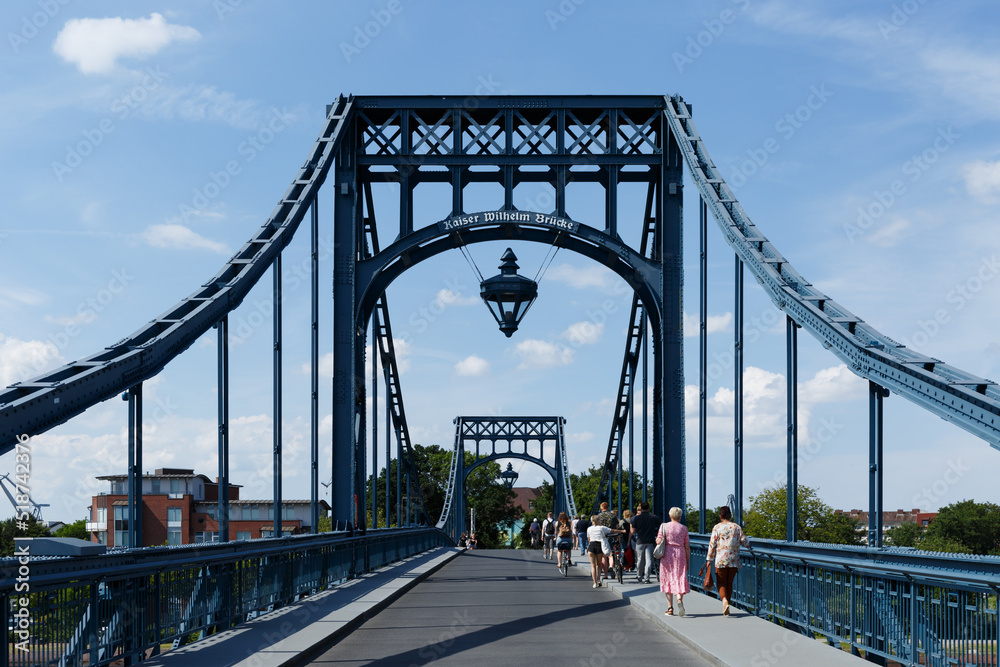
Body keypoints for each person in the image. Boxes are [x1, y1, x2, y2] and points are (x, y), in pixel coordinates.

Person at [706, 505, 750, 616]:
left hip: (721, 560)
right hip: (733, 560)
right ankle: (727, 604)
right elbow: (744, 542)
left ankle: (724, 602)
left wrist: (709, 559)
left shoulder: (717, 527)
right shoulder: (736, 527)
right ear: (730, 515)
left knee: (721, 583)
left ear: (720, 516)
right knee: (729, 583)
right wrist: (749, 546)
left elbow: (712, 544)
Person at [655, 506, 690, 616]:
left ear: (670, 516)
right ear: (680, 517)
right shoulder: (683, 528)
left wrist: (658, 540)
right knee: (679, 577)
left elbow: (658, 540)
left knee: (667, 578)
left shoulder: (664, 526)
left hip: (667, 554)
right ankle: (679, 599)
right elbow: (687, 546)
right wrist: (687, 561)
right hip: (680, 554)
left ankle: (670, 608)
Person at [586, 514, 625, 588]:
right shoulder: (602, 528)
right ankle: (598, 580)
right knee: (599, 564)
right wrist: (622, 531)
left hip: (591, 546)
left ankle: (594, 583)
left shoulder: (589, 529)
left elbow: (589, 539)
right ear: (598, 521)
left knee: (593, 566)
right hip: (599, 546)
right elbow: (612, 530)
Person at [631, 501, 662, 584]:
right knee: (649, 560)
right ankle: (646, 578)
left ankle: (639, 576)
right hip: (650, 541)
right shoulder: (653, 517)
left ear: (641, 508)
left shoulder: (636, 518)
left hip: (640, 541)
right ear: (648, 508)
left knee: (640, 559)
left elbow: (633, 531)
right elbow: (661, 526)